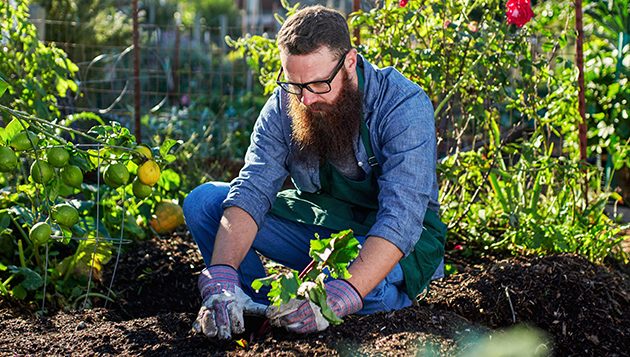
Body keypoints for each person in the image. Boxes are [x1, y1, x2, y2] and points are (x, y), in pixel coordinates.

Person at [183, 4, 446, 340]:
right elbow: (253, 187)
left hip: (395, 240)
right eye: (294, 84)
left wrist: (346, 292)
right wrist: (221, 273)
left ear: (349, 62)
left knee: (361, 292)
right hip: (326, 228)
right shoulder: (286, 104)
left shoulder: (401, 105)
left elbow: (402, 216)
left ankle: (373, 300)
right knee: (205, 202)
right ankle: (259, 312)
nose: (305, 99)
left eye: (319, 84)